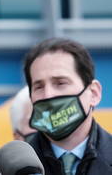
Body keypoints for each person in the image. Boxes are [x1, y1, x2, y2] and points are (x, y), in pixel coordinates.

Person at [23, 37, 112, 175]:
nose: (48, 95)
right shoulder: (12, 168)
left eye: (60, 83)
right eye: (39, 87)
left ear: (93, 93)